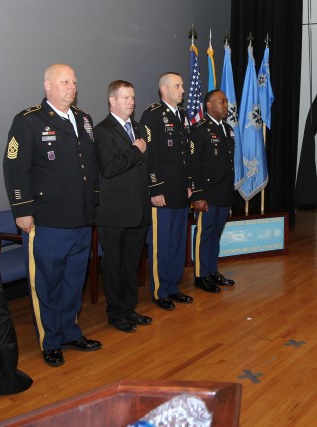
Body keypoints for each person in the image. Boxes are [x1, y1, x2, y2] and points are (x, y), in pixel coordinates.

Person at [2, 64, 102, 367]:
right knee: (47, 281)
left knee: (73, 280)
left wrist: (93, 206)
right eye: (64, 82)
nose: (71, 87)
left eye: (74, 81)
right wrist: (22, 210)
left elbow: (89, 167)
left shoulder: (84, 119)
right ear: (48, 86)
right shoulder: (29, 121)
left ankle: (70, 331)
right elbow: (15, 167)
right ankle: (50, 340)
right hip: (46, 219)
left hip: (81, 217)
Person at [94, 80, 152, 332]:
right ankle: (116, 314)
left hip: (137, 209)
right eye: (126, 98)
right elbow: (109, 168)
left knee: (130, 264)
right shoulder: (103, 130)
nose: (131, 102)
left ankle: (129, 309)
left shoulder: (137, 127)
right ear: (112, 101)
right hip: (115, 212)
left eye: (133, 98)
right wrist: (135, 150)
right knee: (114, 266)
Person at [140, 72, 193, 310]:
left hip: (181, 190)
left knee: (177, 242)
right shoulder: (152, 114)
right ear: (164, 89)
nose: (182, 90)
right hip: (162, 192)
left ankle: (173, 286)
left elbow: (186, 154)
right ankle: (160, 290)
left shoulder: (182, 115)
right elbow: (150, 156)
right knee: (161, 244)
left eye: (182, 86)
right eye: (178, 86)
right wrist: (155, 188)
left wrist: (190, 183)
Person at [189, 89, 236, 293]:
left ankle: (212, 270)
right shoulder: (200, 129)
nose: (226, 105)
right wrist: (198, 195)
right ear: (209, 105)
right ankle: (200, 275)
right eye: (221, 102)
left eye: (226, 102)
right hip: (206, 194)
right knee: (203, 234)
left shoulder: (227, 128)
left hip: (223, 193)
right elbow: (193, 164)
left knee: (215, 234)